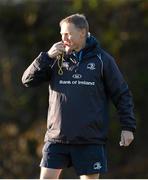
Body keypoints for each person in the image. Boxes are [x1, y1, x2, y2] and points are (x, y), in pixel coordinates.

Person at [22, 14, 136, 179]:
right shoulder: (54, 58)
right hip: (57, 138)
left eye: (67, 33)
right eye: (61, 34)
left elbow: (122, 94)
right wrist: (46, 57)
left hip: (89, 140)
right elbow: (27, 80)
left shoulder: (102, 60)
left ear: (82, 32)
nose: (63, 38)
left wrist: (128, 127)